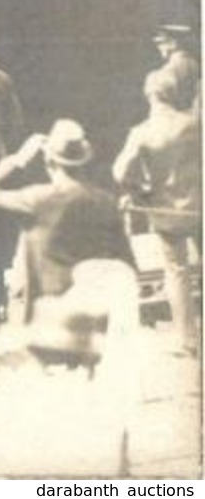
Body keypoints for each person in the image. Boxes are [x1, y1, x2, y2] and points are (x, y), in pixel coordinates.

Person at [0, 120, 135, 323]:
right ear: (85, 161)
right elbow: (126, 262)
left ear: (49, 162)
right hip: (95, 315)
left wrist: (18, 159)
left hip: (50, 315)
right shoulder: (107, 203)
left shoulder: (37, 200)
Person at [112, 71, 201, 356]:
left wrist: (139, 191)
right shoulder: (195, 123)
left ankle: (186, 340)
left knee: (176, 273)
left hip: (165, 212)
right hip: (200, 206)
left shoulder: (142, 132)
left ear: (149, 95)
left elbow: (120, 172)